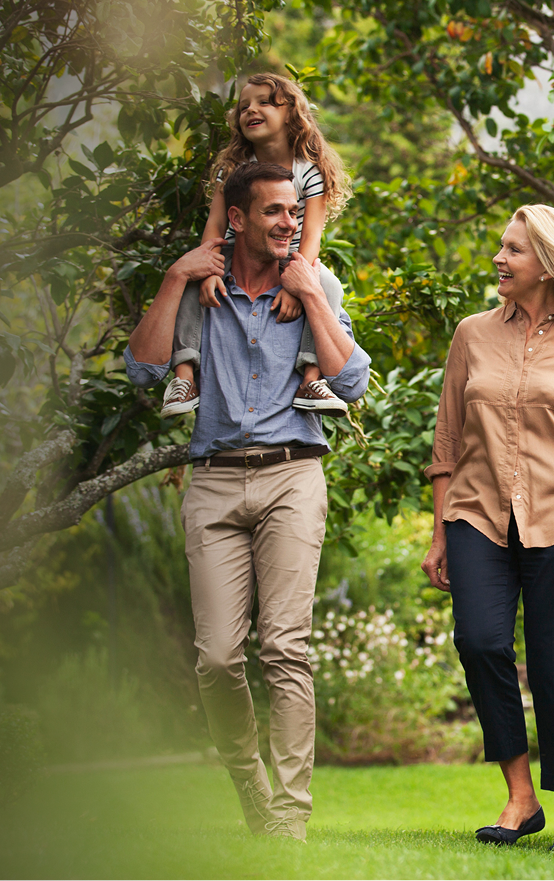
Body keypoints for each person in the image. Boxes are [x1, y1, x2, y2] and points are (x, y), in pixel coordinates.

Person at [124, 161, 371, 842]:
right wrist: (175, 275)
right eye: (273, 212)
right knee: (217, 657)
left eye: (295, 211)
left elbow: (352, 383)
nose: (289, 223)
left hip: (293, 473)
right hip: (213, 479)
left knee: (285, 646)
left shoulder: (313, 281)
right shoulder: (202, 288)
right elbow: (143, 367)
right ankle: (254, 792)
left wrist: (313, 297)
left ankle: (289, 816)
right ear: (236, 218)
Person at [420, 205, 554, 853]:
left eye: (512, 250)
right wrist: (437, 534)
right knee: (480, 641)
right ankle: (519, 794)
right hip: (477, 514)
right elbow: (447, 442)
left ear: (548, 261)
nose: (498, 260)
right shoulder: (472, 334)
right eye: (500, 248)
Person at [159, 72, 350, 419]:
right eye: (244, 105)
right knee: (186, 280)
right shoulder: (233, 168)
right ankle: (184, 377)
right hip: (236, 254)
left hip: (291, 257)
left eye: (264, 102)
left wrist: (296, 287)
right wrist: (208, 270)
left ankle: (312, 377)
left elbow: (311, 238)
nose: (251, 110)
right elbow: (215, 225)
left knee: (328, 285)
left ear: (291, 112)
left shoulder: (309, 170)